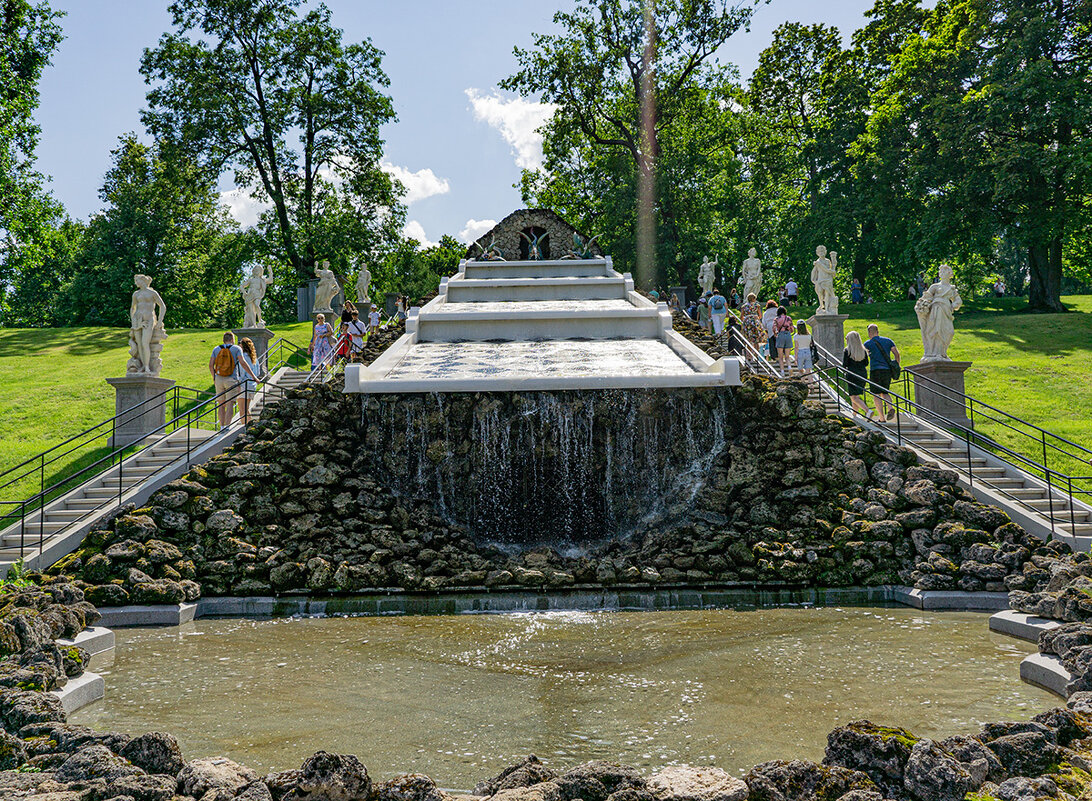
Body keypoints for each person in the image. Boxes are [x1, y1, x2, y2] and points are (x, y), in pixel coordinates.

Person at [209, 332, 259, 429]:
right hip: (231, 379)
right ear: (232, 339)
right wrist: (254, 377)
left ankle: (221, 427)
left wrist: (214, 377)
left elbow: (211, 365)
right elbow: (243, 363)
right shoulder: (236, 349)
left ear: (223, 339)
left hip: (219, 378)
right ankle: (227, 427)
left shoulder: (216, 349)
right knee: (230, 403)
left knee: (221, 404)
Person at [864, 323, 901, 421]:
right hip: (887, 370)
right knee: (884, 392)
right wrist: (897, 364)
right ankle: (890, 408)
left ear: (869, 332)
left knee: (876, 394)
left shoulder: (867, 344)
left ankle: (881, 418)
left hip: (875, 370)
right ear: (877, 331)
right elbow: (896, 354)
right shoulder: (888, 341)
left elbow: (864, 356)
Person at [843, 330, 872, 419]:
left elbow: (845, 364)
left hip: (852, 374)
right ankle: (854, 415)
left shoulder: (847, 350)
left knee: (853, 397)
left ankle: (868, 411)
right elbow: (866, 363)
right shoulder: (863, 350)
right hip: (862, 374)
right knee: (856, 396)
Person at [236, 337, 261, 426]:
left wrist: (238, 382)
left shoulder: (243, 358)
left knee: (242, 410)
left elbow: (241, 373)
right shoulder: (254, 358)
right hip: (252, 385)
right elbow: (257, 372)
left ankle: (245, 427)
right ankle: (250, 425)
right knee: (246, 409)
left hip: (244, 385)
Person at [773, 305, 794, 374]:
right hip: (788, 335)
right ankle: (789, 367)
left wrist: (775, 334)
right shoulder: (789, 318)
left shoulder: (776, 319)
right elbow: (792, 329)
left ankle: (782, 372)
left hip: (780, 335)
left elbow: (774, 328)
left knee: (780, 356)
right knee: (787, 356)